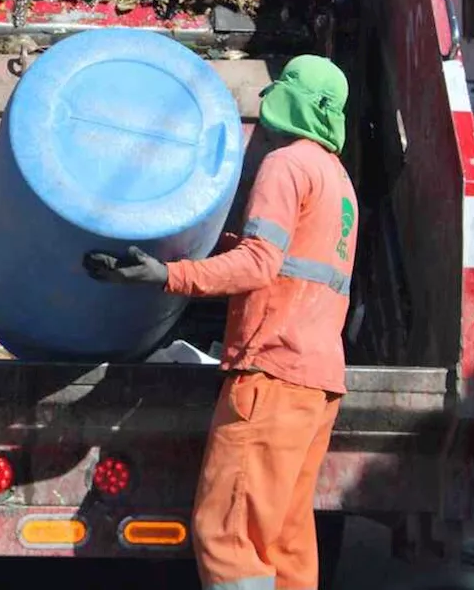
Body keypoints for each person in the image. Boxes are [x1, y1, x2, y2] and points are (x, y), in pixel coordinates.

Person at [85, 54, 357, 590]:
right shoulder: (337, 180)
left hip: (272, 375)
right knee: (282, 541)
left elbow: (261, 264)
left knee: (227, 534)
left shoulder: (286, 166)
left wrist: (168, 273)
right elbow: (292, 262)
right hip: (317, 381)